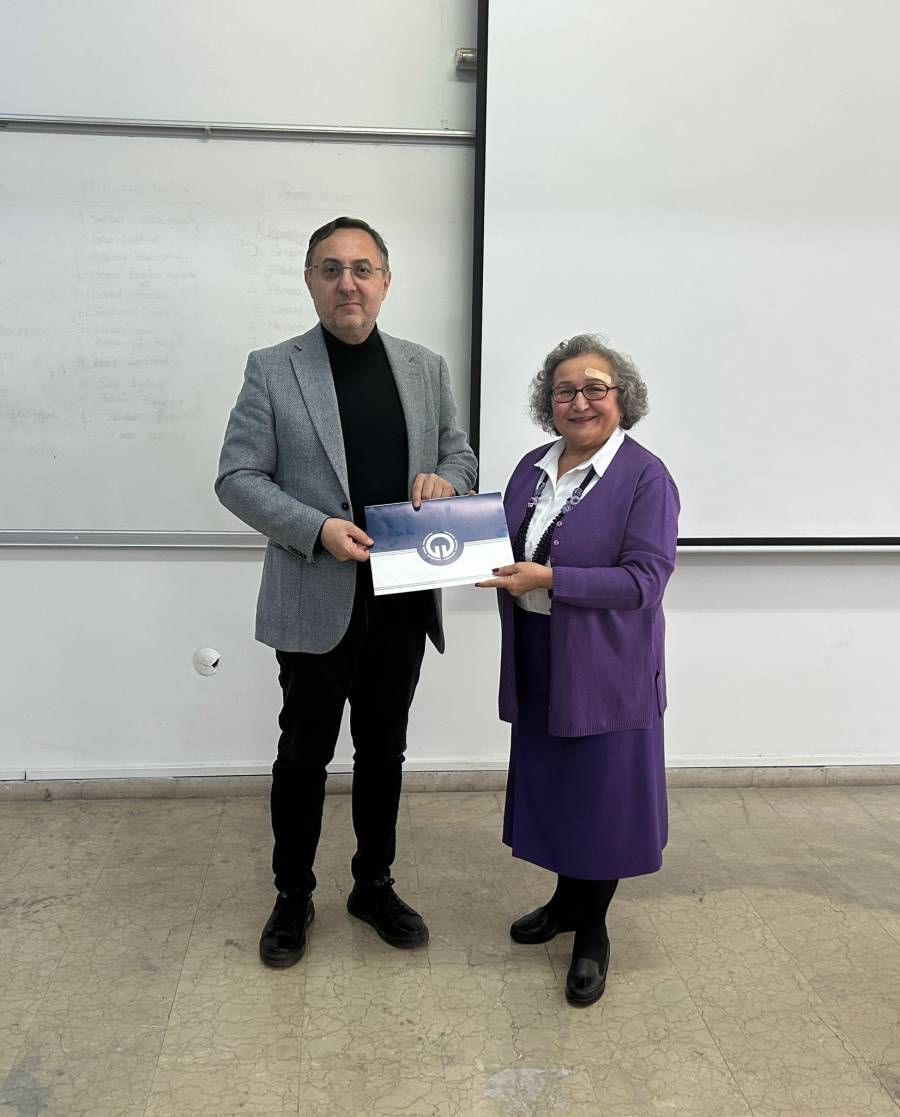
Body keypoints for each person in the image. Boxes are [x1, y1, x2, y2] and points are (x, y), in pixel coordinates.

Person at [216, 216, 477, 967]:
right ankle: (292, 895)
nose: (348, 283)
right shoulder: (273, 369)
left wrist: (447, 479)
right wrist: (317, 528)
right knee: (303, 755)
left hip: (401, 596)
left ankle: (372, 884)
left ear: (386, 281)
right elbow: (237, 477)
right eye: (330, 269)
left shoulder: (426, 368)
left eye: (363, 268)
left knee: (383, 751)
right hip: (312, 595)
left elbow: (459, 454)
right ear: (310, 282)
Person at [477, 334, 679, 1006]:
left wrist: (552, 579)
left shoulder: (645, 477)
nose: (580, 401)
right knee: (562, 788)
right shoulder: (532, 467)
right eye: (565, 390)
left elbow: (644, 581)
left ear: (623, 399)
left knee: (601, 798)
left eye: (595, 388)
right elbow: (495, 541)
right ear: (549, 402)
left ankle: (592, 931)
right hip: (539, 653)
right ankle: (566, 903)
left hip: (609, 664)